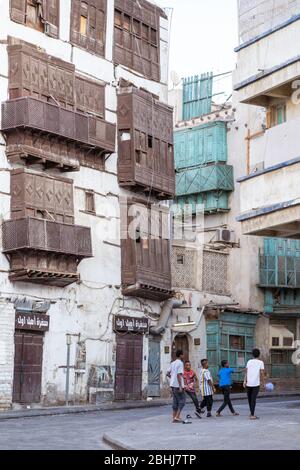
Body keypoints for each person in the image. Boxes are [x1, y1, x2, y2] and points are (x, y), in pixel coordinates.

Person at [244, 348, 266, 420]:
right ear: (259, 354)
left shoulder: (249, 361)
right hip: (256, 384)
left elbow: (246, 372)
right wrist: (263, 382)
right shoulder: (261, 362)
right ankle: (252, 415)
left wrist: (244, 381)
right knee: (253, 399)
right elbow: (262, 373)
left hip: (248, 383)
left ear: (252, 354)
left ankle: (251, 413)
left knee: (250, 399)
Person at [167, 350, 186, 423]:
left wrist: (172, 378)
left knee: (175, 401)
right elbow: (179, 375)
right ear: (181, 355)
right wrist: (181, 386)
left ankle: (174, 417)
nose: (183, 356)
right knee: (182, 401)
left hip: (172, 384)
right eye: (183, 354)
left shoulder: (173, 363)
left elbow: (167, 373)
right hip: (178, 385)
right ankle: (177, 417)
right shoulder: (180, 363)